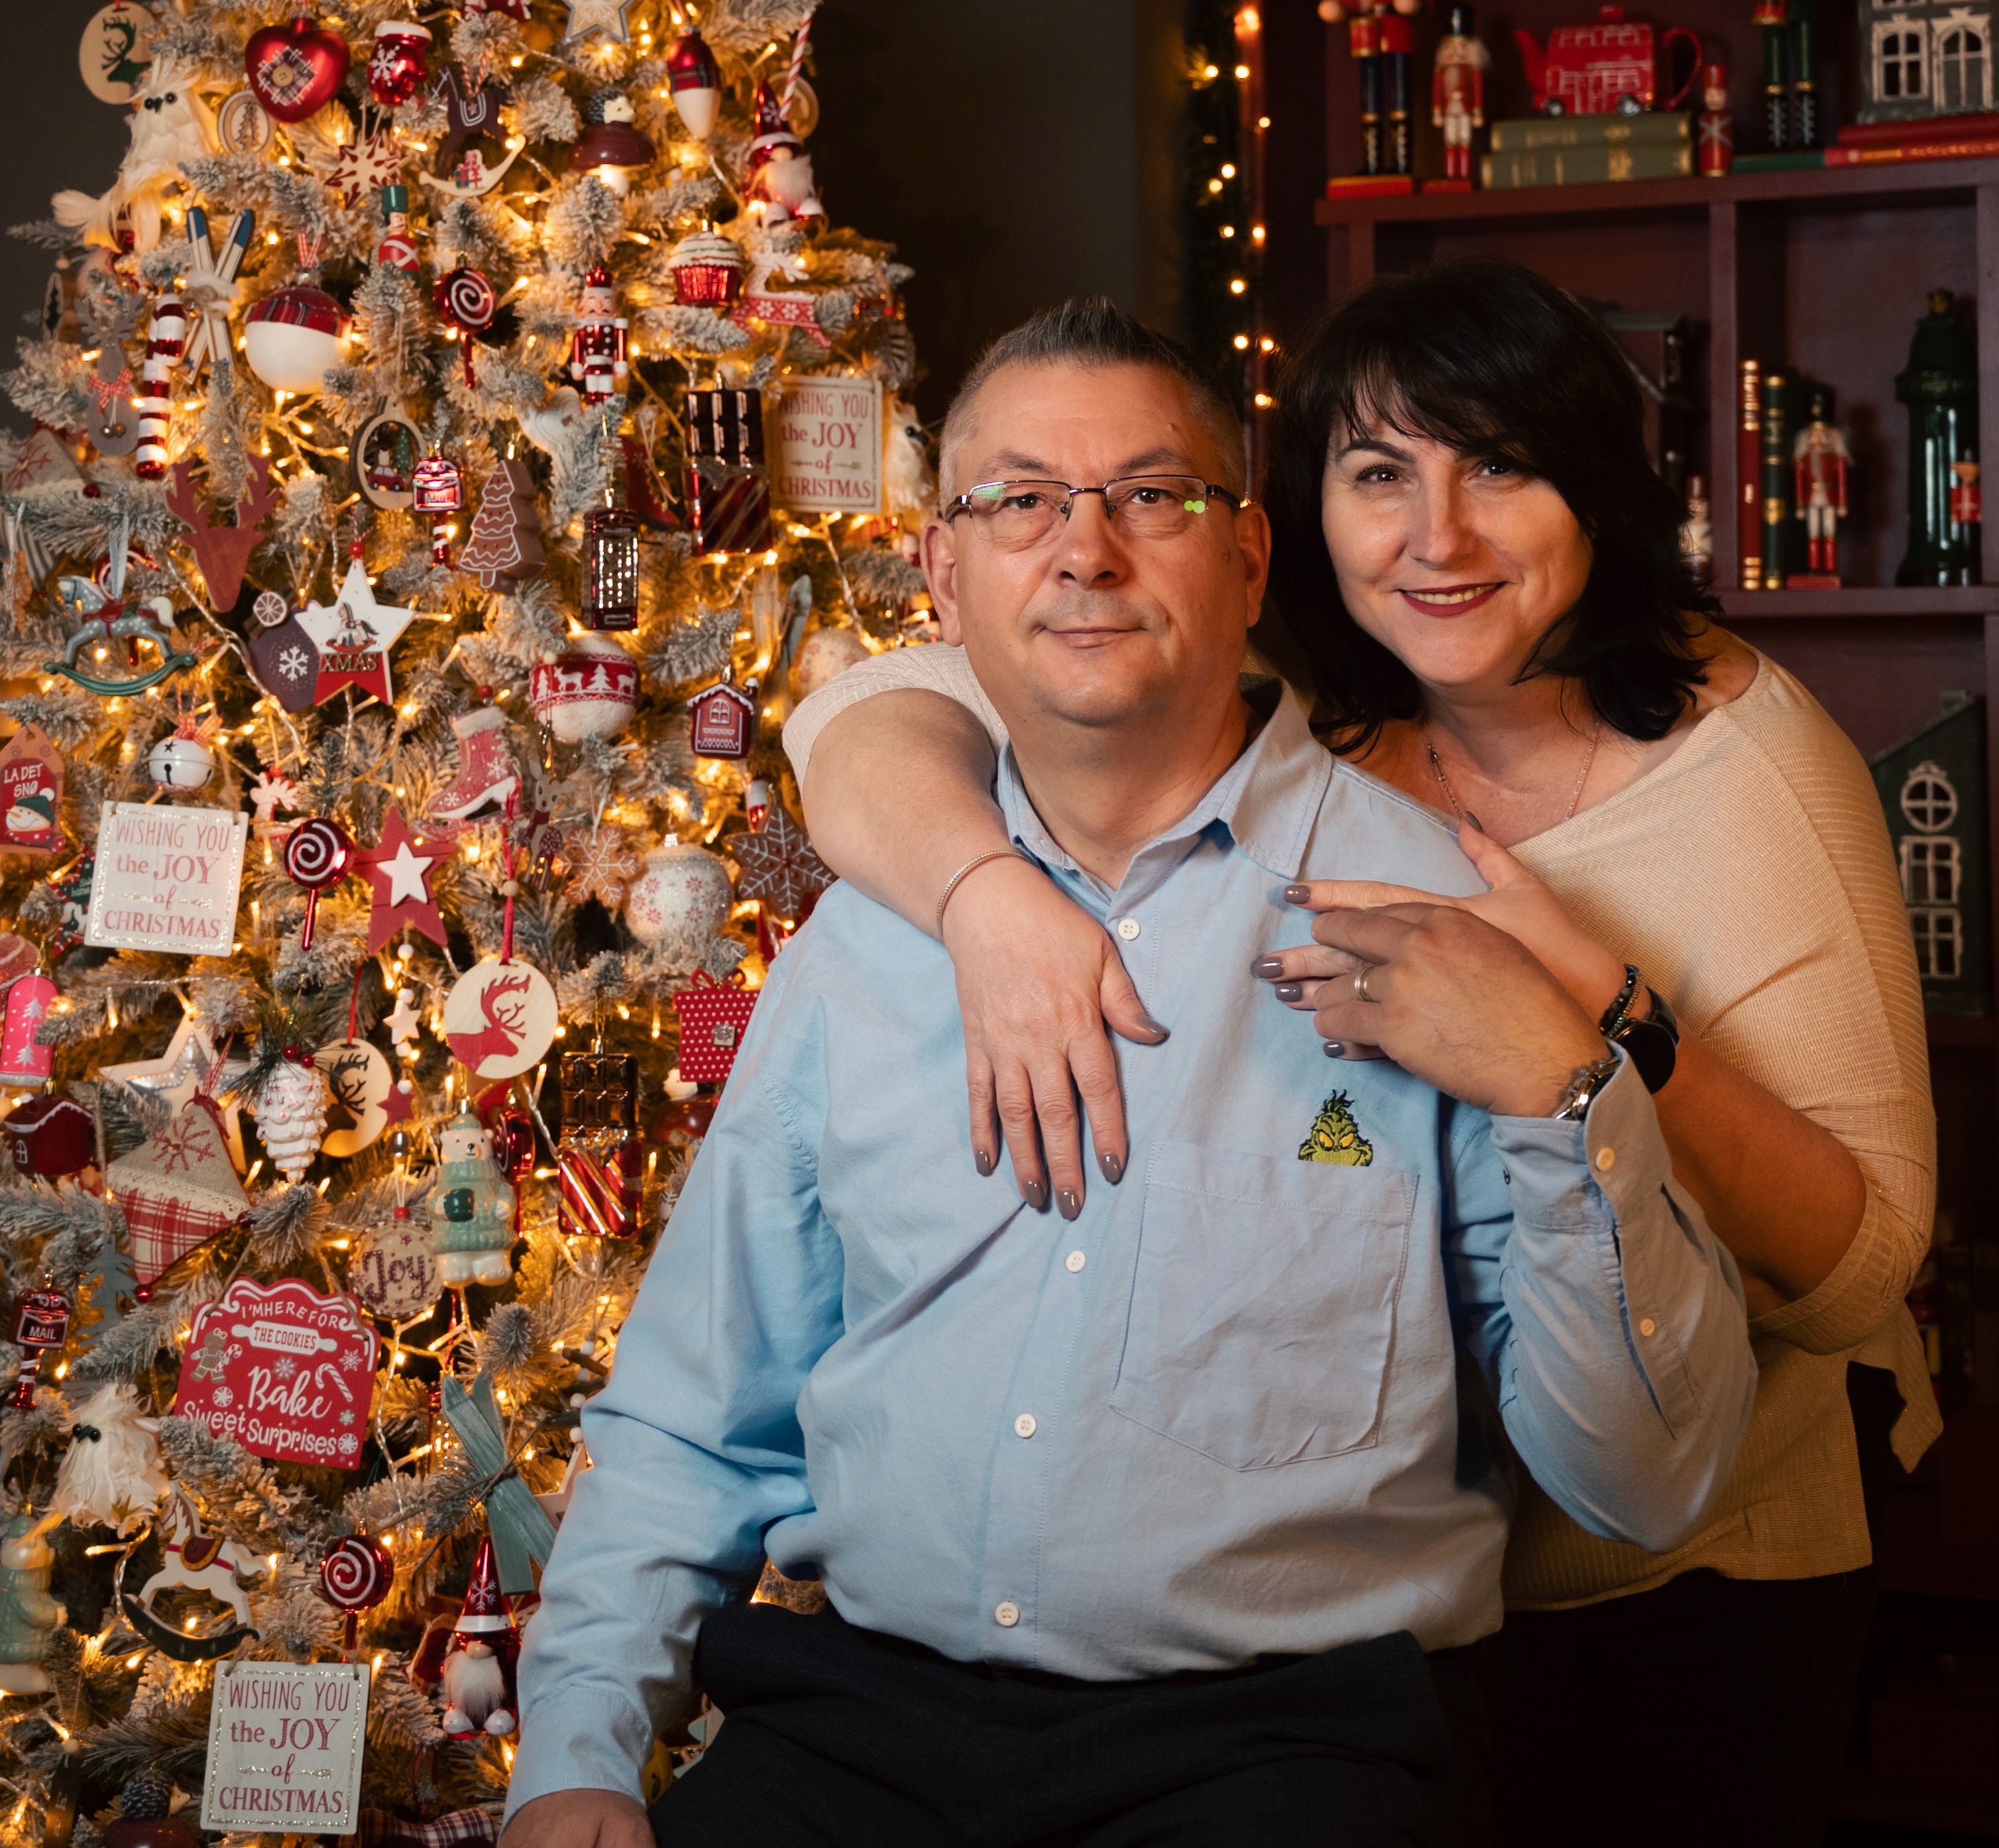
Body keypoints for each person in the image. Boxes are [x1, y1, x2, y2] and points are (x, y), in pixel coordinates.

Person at [505, 300, 1756, 1848]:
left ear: (1248, 554)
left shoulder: (1437, 922)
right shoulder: (865, 941)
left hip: (1278, 1748)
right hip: (856, 1727)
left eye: (1149, 495)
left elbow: (1645, 1481)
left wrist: (1566, 1090)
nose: (1084, 551)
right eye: (1020, 500)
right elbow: (694, 1410)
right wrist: (573, 1754)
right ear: (941, 573)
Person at [791, 264, 1937, 1848]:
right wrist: (982, 892)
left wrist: (1587, 1013)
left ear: (1595, 490)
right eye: (1379, 473)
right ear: (1294, 521)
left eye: (1499, 466)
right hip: (1365, 1619)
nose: (1434, 536)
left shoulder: (1751, 769)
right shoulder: (1303, 702)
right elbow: (863, 710)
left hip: (1680, 1568)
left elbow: (1866, 1260)